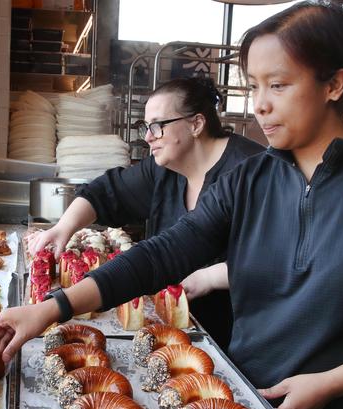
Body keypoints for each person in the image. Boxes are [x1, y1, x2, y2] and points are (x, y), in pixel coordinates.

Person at [0, 1, 343, 409]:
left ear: (334, 84)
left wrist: (331, 383)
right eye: (253, 86)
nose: (259, 104)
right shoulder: (251, 178)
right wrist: (52, 308)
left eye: (278, 85)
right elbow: (165, 252)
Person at [28, 76, 264, 349]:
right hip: (171, 325)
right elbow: (106, 193)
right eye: (145, 127)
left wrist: (210, 277)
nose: (148, 137)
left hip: (235, 334)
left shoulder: (251, 171)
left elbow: (273, 260)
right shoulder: (163, 168)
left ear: (196, 124)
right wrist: (63, 228)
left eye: (157, 126)